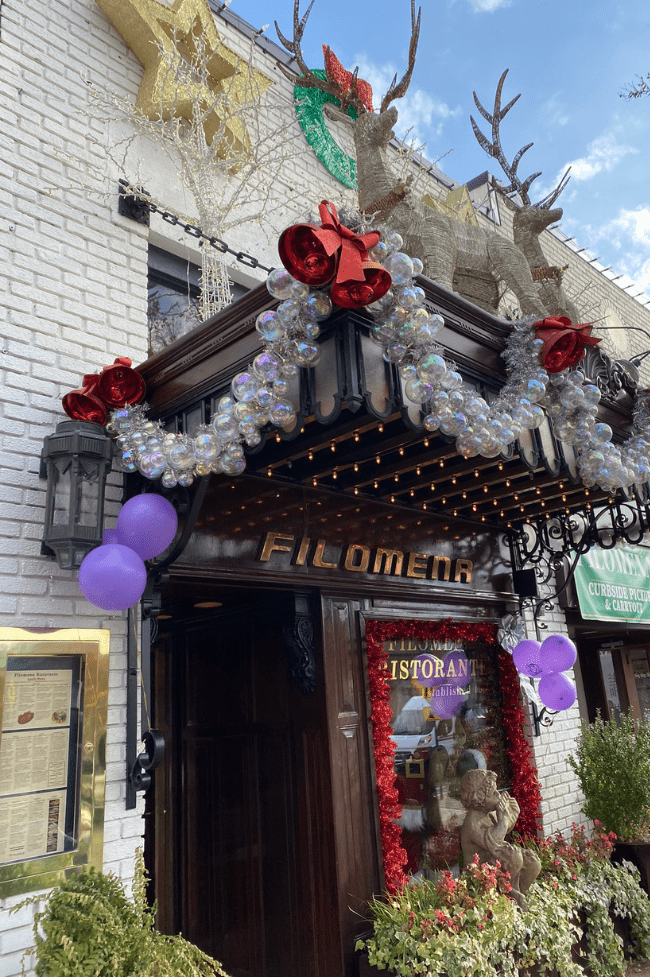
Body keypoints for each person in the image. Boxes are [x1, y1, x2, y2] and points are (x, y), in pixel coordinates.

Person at [459, 768, 540, 910]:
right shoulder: (472, 823)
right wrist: (503, 820)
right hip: (480, 878)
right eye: (493, 793)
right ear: (479, 798)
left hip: (495, 868)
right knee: (513, 856)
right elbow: (495, 844)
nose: (498, 794)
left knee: (533, 862)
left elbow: (505, 829)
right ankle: (507, 899)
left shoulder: (489, 814)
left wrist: (511, 812)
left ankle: (517, 894)